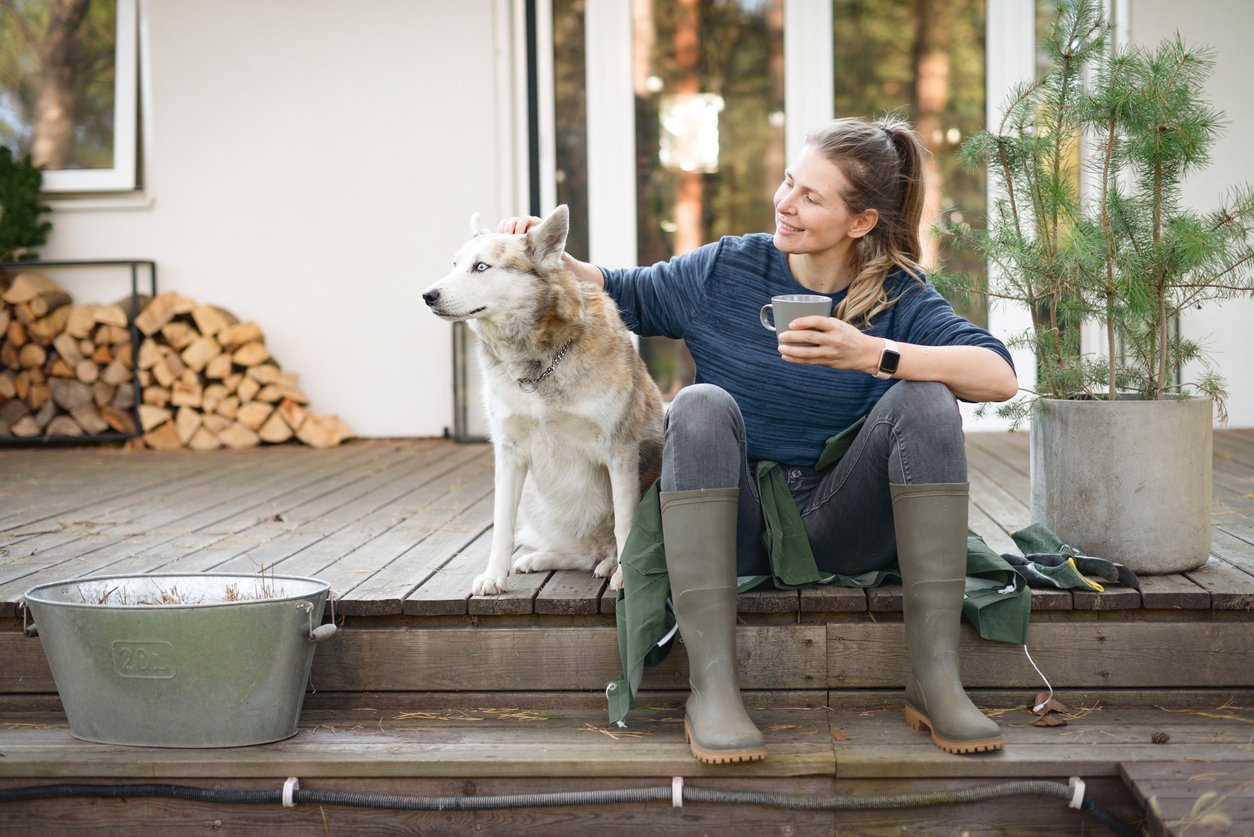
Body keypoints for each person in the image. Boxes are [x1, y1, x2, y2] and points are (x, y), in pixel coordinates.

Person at [497, 115, 1018, 764]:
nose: (784, 202)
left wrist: (872, 353)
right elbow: (619, 287)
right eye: (787, 181)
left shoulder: (897, 294)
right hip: (738, 521)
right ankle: (711, 687)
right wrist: (549, 256)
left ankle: (935, 680)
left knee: (929, 398)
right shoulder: (728, 269)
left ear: (860, 223)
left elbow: (998, 376)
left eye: (810, 197)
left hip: (844, 521)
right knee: (700, 404)